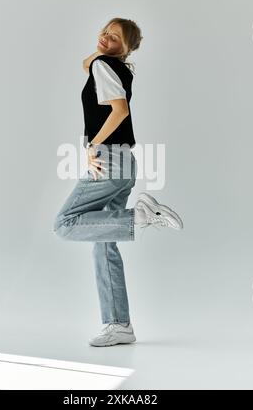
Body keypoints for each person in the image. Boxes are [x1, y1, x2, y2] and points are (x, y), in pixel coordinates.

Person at [53, 17, 184, 347]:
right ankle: (119, 325)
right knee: (103, 243)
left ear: (124, 49)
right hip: (123, 162)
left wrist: (93, 144)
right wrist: (103, 52)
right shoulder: (111, 66)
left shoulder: (104, 67)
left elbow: (119, 111)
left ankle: (139, 218)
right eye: (104, 32)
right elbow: (86, 62)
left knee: (65, 223)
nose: (104, 39)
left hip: (109, 160)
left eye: (114, 38)